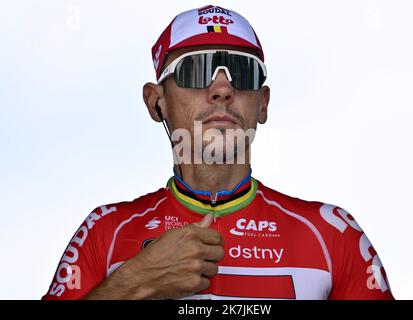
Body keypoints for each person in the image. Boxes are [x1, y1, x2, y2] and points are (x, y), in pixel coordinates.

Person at [42, 4, 394, 300]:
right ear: (156, 102)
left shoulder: (332, 233)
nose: (222, 88)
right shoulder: (105, 230)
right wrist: (133, 283)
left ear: (263, 104)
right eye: (196, 69)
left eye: (242, 71)